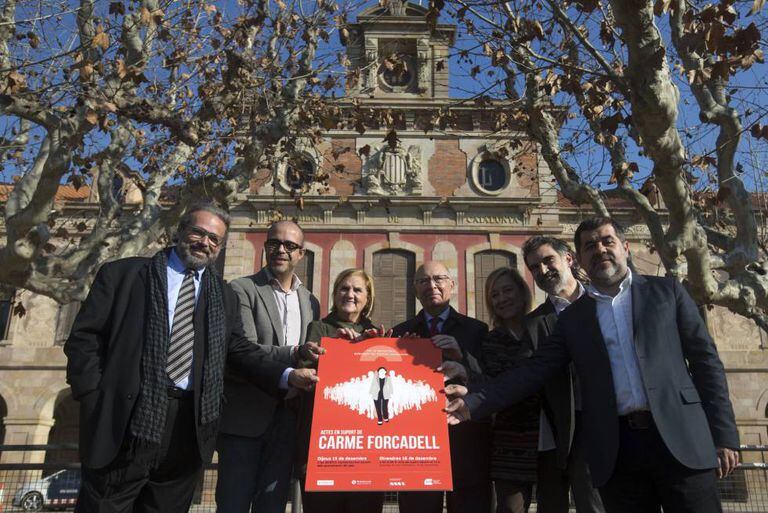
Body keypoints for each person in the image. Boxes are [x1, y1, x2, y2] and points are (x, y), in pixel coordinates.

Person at [446, 217, 740, 513]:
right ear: (581, 259)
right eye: (590, 246)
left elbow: (706, 363)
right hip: (618, 451)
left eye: (607, 241)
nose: (599, 250)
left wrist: (724, 435)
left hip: (681, 442)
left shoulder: (667, 292)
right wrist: (473, 402)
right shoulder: (575, 318)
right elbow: (532, 370)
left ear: (625, 247)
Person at [64, 203, 318, 513]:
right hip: (125, 419)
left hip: (188, 427)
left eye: (214, 239)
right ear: (180, 231)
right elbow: (84, 339)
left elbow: (238, 350)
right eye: (198, 232)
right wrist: (93, 397)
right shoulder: (124, 275)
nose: (205, 242)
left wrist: (287, 376)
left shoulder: (222, 295)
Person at [216, 220, 321, 513]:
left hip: (288, 419)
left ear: (301, 253)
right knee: (232, 505)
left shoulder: (310, 301)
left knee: (272, 506)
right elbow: (243, 349)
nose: (281, 250)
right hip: (245, 417)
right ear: (265, 247)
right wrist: (295, 353)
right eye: (274, 243)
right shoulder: (242, 289)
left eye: (289, 245)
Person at [392, 261, 491, 513]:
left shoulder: (477, 330)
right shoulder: (400, 333)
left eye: (438, 279)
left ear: (452, 285)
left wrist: (462, 357)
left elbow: (490, 384)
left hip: (466, 440)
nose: (432, 285)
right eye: (423, 281)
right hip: (417, 444)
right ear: (415, 289)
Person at [522, 236, 604, 513]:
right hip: (570, 433)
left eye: (548, 261)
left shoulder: (605, 300)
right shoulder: (534, 323)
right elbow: (523, 375)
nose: (542, 270)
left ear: (569, 258)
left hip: (621, 425)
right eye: (534, 267)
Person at [298, 268, 386, 513]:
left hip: (368, 450)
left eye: (357, 290)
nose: (350, 294)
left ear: (367, 298)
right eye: (344, 288)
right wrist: (337, 351)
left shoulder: (377, 335)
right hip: (324, 448)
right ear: (335, 294)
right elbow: (305, 375)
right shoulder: (318, 328)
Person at [479, 267, 538, 513]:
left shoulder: (542, 329)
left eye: (507, 290)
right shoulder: (490, 340)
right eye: (495, 295)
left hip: (549, 440)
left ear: (522, 293)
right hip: (508, 443)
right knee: (511, 509)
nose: (502, 299)